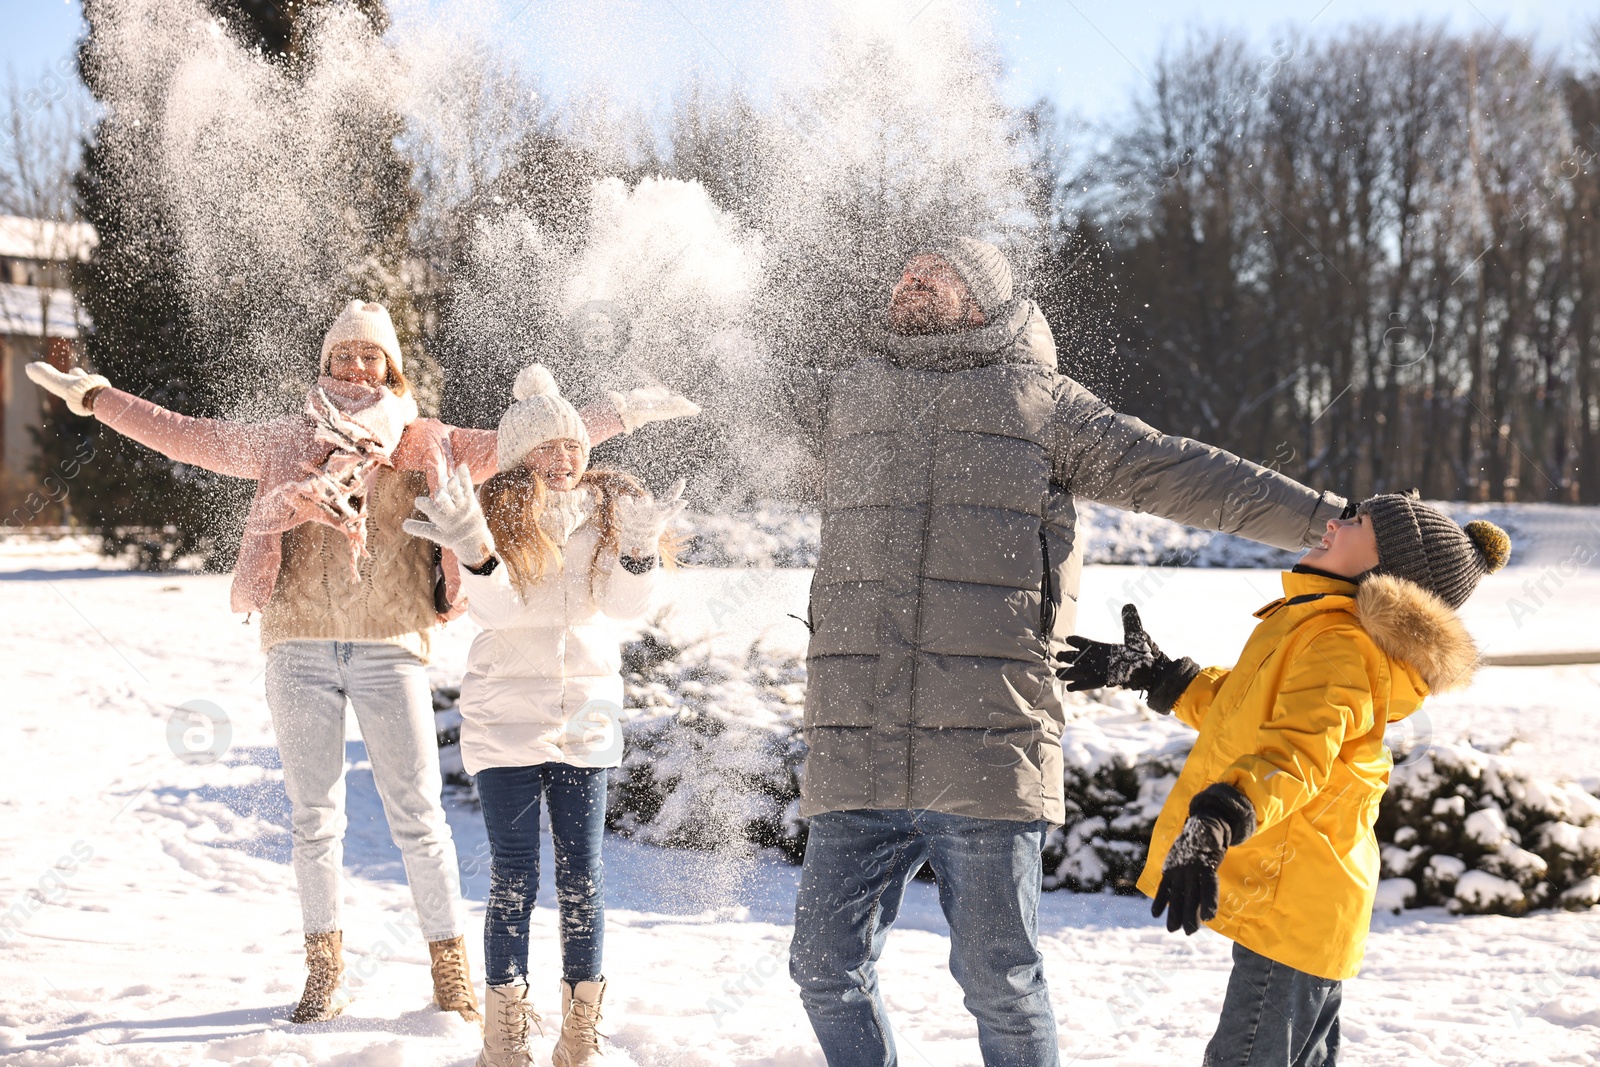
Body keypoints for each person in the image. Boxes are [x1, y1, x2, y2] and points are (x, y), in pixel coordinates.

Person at [24, 301, 697, 1025]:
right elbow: (189, 437)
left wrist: (620, 412)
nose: (355, 366)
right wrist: (98, 398)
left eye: (369, 356)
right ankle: (325, 970)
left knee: (419, 816)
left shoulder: (424, 443)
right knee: (314, 817)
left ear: (391, 366)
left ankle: (451, 973)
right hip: (298, 645)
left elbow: (532, 438)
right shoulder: (286, 441)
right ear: (324, 365)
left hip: (391, 645)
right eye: (343, 355)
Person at [779, 237, 1354, 1067]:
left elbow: (1179, 470)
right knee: (822, 967)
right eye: (905, 268)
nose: (911, 277)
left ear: (984, 296)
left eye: (936, 270)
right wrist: (598, 425)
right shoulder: (848, 396)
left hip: (986, 752)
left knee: (999, 981)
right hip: (855, 752)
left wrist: (1331, 524)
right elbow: (723, 400)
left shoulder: (1041, 404)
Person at [1059, 495, 1508, 1065]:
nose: (1332, 523)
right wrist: (1163, 676)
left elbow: (1296, 755)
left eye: (1356, 522)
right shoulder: (1317, 625)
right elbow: (1251, 717)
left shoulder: (1340, 644)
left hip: (1299, 899)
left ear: (1386, 568)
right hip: (1309, 906)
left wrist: (1221, 818)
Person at [403, 364, 686, 1067]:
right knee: (515, 877)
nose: (561, 460)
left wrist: (642, 553)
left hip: (586, 718)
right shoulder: (492, 515)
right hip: (505, 721)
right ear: (521, 455)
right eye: (544, 449)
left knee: (584, 876)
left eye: (570, 447)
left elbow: (622, 608)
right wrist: (474, 552)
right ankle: (503, 1037)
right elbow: (496, 612)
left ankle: (579, 1035)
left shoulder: (606, 513)